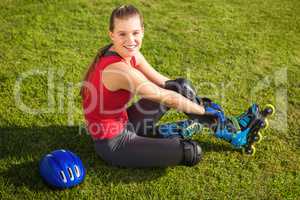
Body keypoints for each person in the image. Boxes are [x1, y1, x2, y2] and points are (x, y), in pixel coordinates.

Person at [81, 5, 274, 168]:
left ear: (142, 31)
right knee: (191, 152)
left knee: (180, 85)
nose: (130, 40)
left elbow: (166, 84)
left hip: (126, 121)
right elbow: (167, 98)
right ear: (112, 34)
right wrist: (204, 111)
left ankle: (233, 131)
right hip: (114, 143)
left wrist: (196, 103)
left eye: (135, 33)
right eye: (122, 34)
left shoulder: (130, 53)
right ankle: (222, 128)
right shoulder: (120, 71)